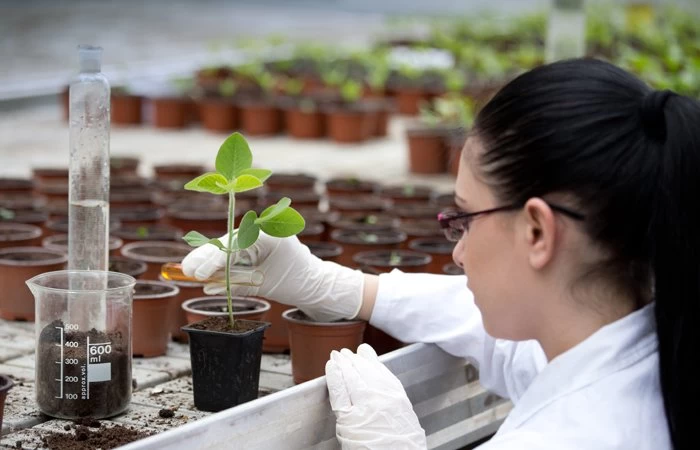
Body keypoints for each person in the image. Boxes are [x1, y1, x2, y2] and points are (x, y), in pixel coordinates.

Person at [182, 58, 699, 449]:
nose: (458, 254)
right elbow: (506, 338)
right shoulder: (654, 338)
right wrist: (337, 285)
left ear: (538, 231)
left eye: (464, 219)